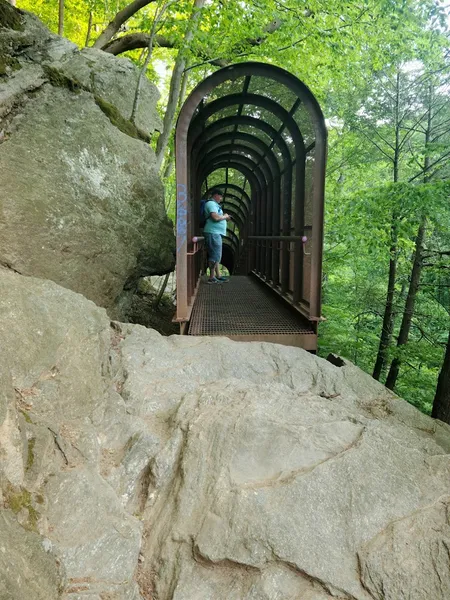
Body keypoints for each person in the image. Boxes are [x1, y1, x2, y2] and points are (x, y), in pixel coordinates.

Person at [203, 188, 231, 283]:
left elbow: (218, 217)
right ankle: (211, 278)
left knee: (216, 255)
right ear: (216, 195)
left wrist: (224, 218)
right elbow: (215, 217)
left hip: (215, 233)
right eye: (221, 196)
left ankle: (218, 275)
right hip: (212, 232)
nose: (221, 198)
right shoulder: (211, 204)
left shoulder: (215, 205)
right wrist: (225, 217)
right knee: (215, 255)